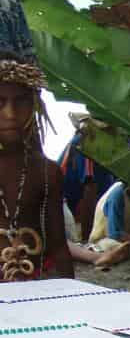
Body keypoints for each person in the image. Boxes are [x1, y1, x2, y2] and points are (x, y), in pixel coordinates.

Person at [0, 51, 72, 282]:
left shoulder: (45, 172)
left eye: (20, 101)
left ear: (34, 105)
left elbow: (59, 250)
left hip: (35, 286)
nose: (11, 114)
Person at [58, 129, 116, 243]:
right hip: (65, 213)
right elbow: (89, 190)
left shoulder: (116, 150)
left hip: (87, 214)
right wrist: (88, 241)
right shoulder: (88, 140)